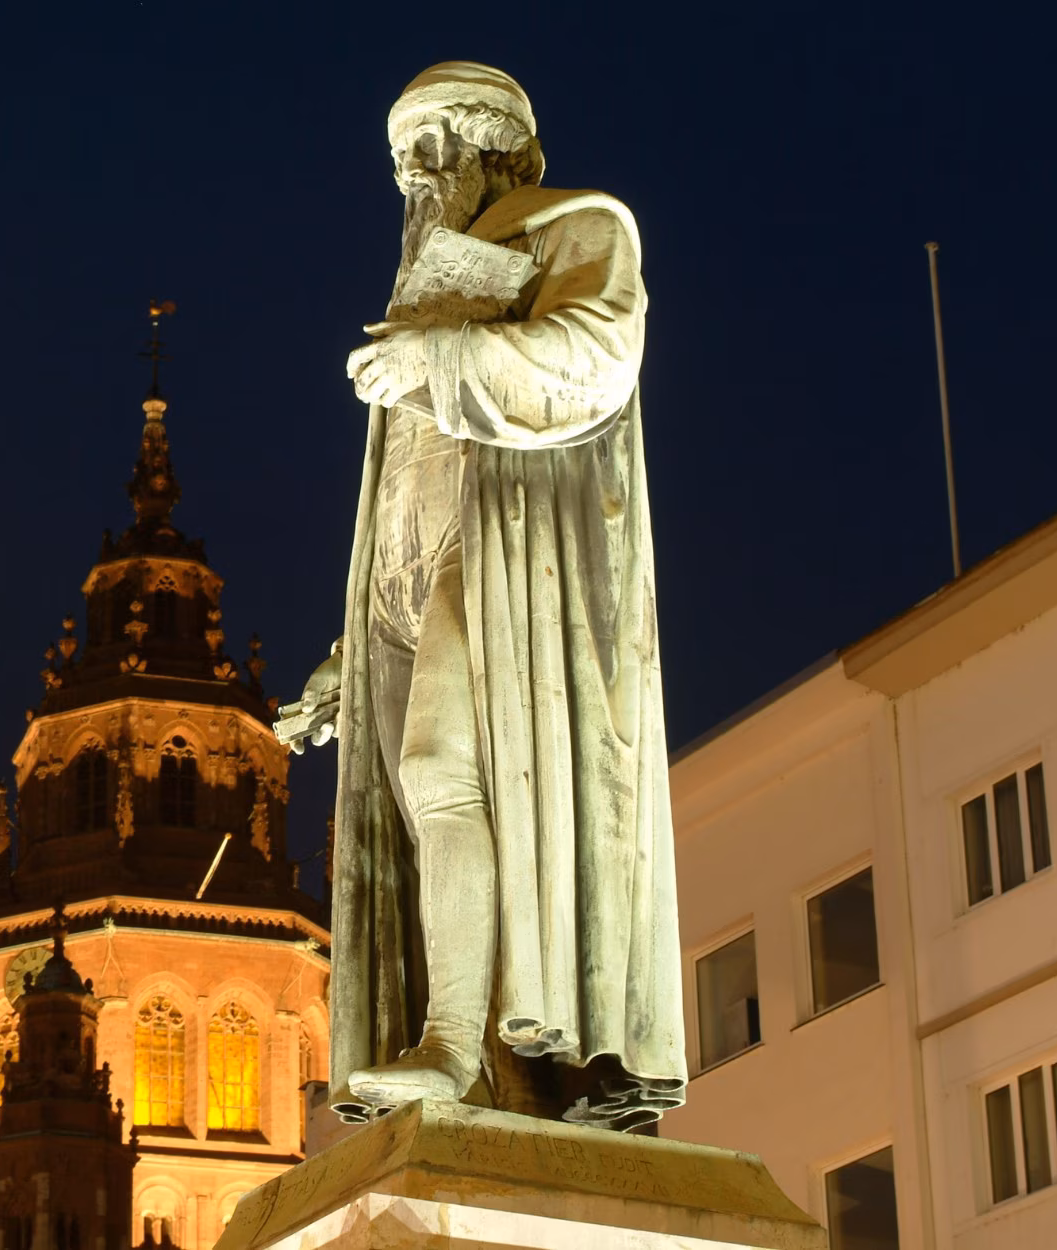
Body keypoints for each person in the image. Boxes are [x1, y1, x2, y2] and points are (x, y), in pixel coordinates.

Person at [286, 62, 686, 1130]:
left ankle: (456, 1042)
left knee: (443, 773)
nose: (416, 176)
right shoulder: (425, 275)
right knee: (429, 798)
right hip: (416, 579)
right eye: (402, 158)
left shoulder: (575, 223)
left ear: (501, 143)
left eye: (435, 146)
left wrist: (445, 349)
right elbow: (408, 491)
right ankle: (468, 1049)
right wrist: (345, 657)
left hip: (516, 561)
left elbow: (596, 356)